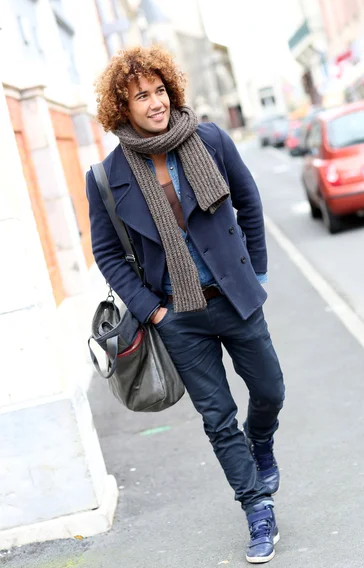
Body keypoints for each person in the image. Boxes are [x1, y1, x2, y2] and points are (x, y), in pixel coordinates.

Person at [86, 45, 285, 564]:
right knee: (218, 419)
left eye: (158, 91)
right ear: (121, 108)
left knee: (270, 391)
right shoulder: (106, 178)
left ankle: (260, 441)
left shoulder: (210, 140)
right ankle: (256, 507)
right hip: (178, 316)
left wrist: (257, 270)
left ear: (170, 91)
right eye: (140, 97)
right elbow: (107, 253)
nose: (154, 103)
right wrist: (152, 310)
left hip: (237, 297)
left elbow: (249, 201)